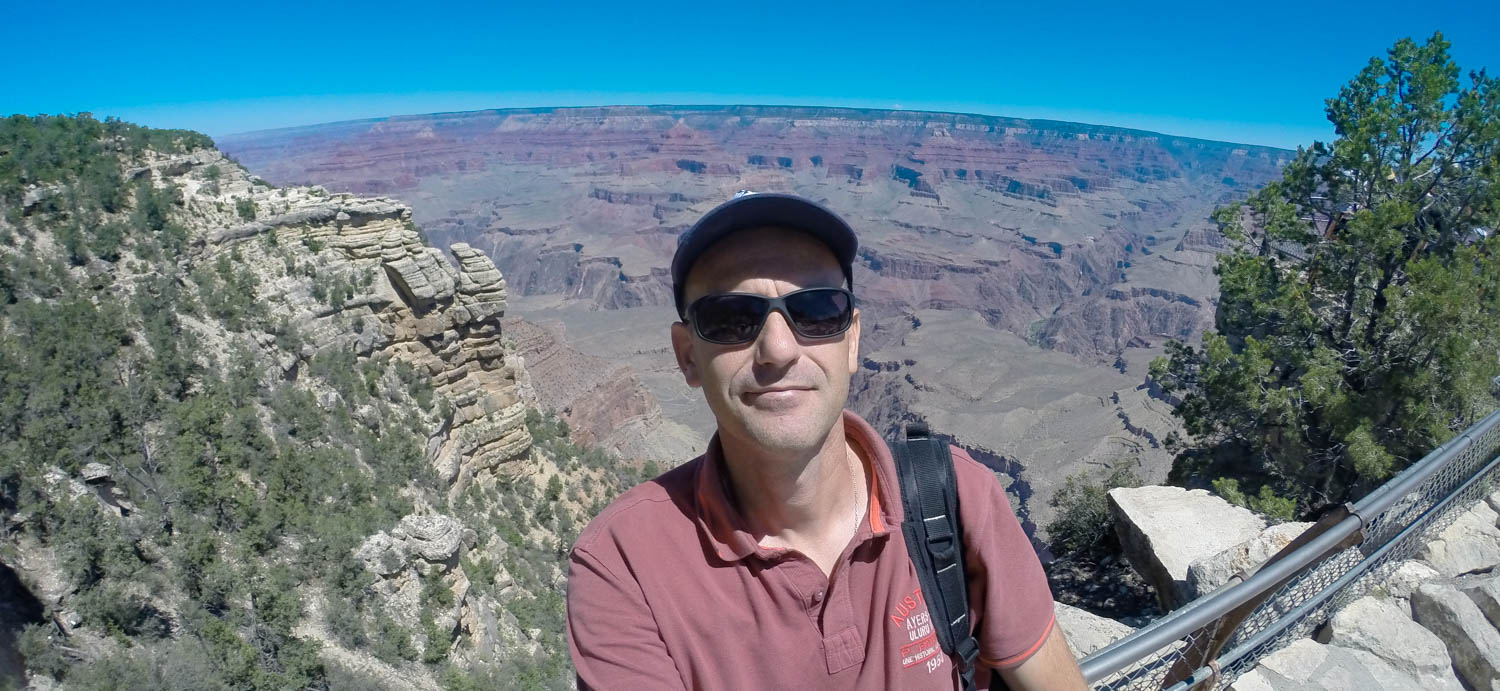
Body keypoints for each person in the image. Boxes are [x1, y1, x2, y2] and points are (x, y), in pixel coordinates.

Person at [566, 192, 1088, 689]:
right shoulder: (624, 565)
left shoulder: (955, 498)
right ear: (687, 356)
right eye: (731, 319)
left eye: (816, 310)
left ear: (852, 339)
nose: (778, 350)